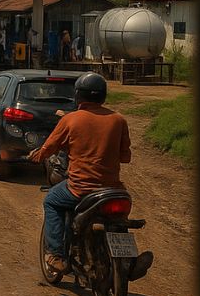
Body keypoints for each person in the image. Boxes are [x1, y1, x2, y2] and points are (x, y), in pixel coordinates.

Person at [29, 72, 130, 274]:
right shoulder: (119, 120)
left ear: (78, 95)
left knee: (51, 201)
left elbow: (48, 149)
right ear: (103, 96)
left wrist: (36, 156)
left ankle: (55, 254)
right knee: (118, 219)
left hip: (80, 189)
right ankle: (130, 261)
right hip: (112, 190)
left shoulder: (71, 120)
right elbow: (126, 157)